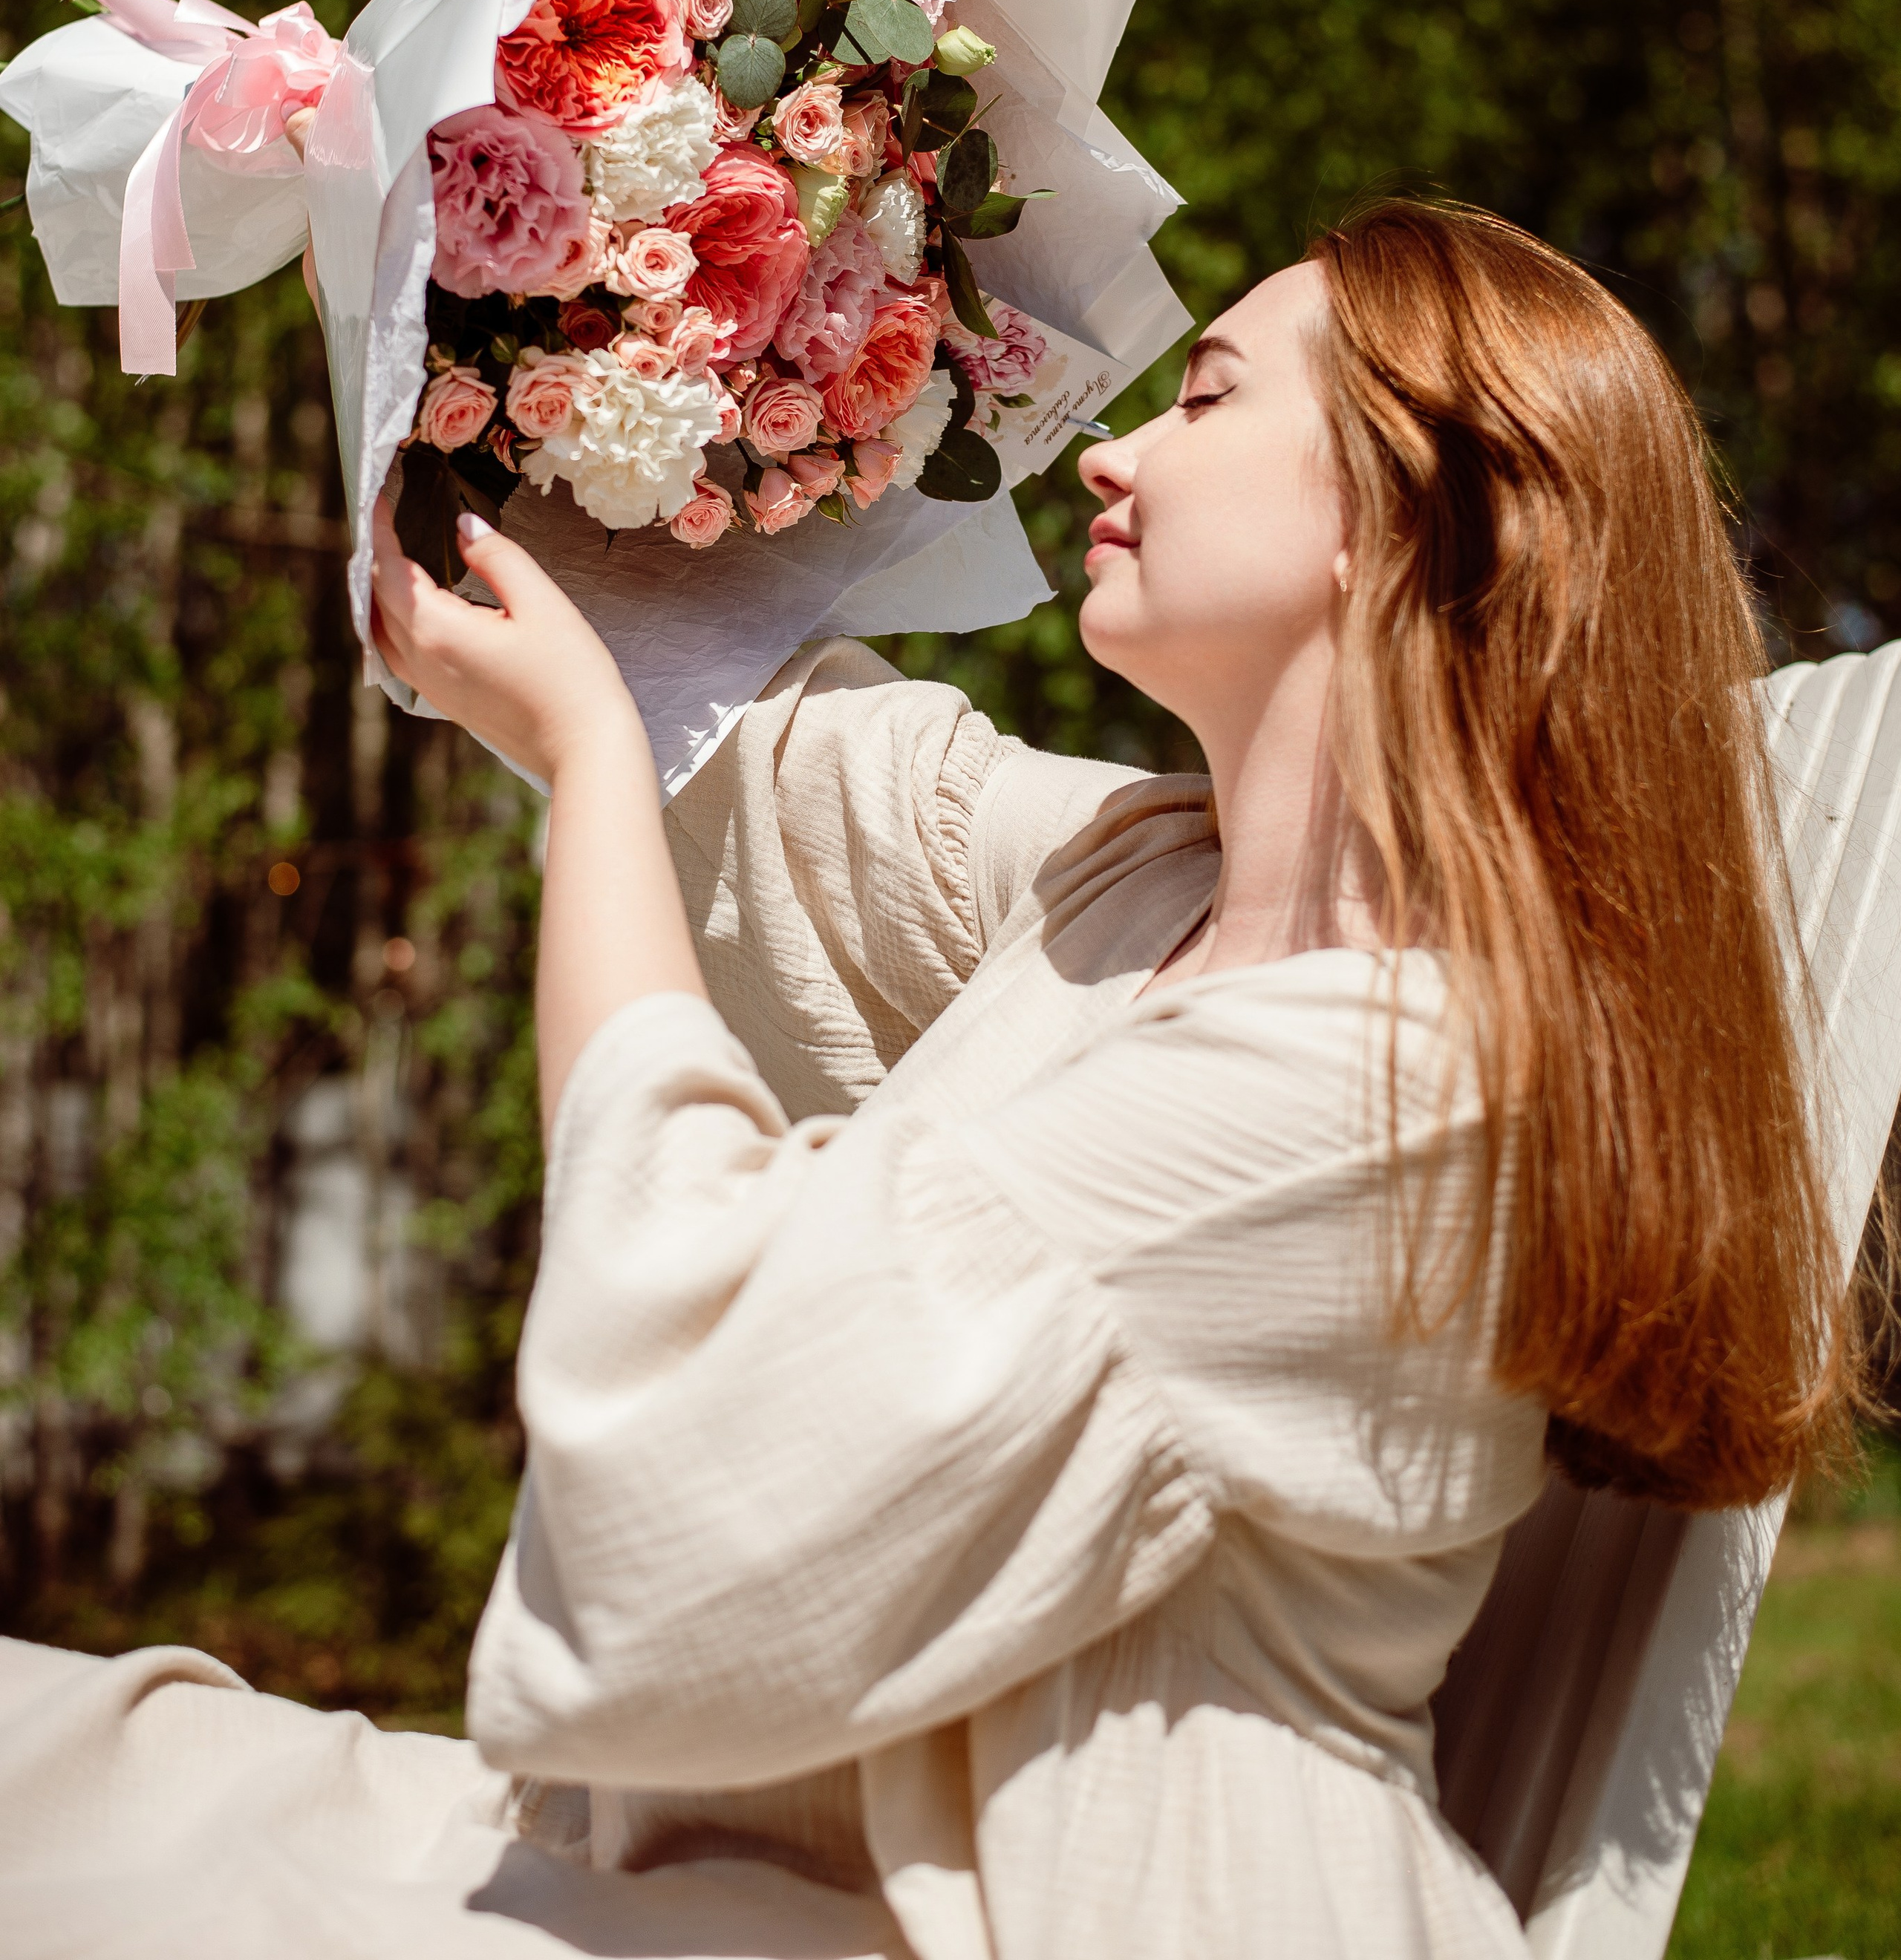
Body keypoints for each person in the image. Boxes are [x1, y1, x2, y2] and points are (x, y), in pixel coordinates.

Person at [0, 198, 1877, 1960]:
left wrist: (584, 757)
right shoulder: (1148, 881)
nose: (1114, 453)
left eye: (1208, 395)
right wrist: (466, 256)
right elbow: (788, 766)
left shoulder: (1401, 1090)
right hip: (809, 1859)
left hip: (1062, 1910)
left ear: (1407, 512)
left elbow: (712, 1391)